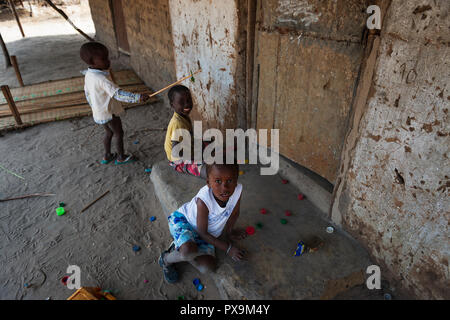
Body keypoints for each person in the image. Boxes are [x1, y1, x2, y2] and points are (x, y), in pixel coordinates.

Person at [158, 163, 248, 283]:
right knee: (188, 251)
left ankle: (181, 245)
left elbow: (234, 213)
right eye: (218, 181)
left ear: (236, 180)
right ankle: (166, 259)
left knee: (207, 267)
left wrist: (230, 232)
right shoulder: (204, 200)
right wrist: (228, 248)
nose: (224, 187)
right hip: (184, 221)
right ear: (208, 182)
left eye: (230, 180)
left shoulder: (238, 190)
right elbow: (202, 232)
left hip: (205, 233)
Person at [80, 41, 149, 165]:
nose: (108, 61)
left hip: (99, 113)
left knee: (109, 132)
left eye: (107, 57)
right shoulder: (102, 79)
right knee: (119, 133)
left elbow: (87, 94)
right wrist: (137, 97)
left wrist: (94, 108)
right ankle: (121, 157)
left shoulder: (89, 75)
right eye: (104, 59)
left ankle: (107, 155)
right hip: (109, 113)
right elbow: (118, 94)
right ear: (92, 62)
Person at [164, 85, 206, 178]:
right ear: (172, 105)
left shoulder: (183, 116)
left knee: (208, 142)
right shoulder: (177, 123)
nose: (186, 104)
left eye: (188, 100)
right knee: (206, 170)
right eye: (181, 102)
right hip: (179, 161)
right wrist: (195, 159)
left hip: (187, 150)